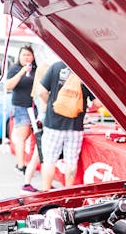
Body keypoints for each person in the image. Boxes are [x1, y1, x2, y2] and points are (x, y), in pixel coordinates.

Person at [38, 61, 99, 190]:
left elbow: (41, 91)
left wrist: (50, 104)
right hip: (75, 126)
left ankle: (46, 192)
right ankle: (67, 193)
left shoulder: (56, 66)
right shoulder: (86, 72)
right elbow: (97, 103)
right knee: (71, 162)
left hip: (53, 124)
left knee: (49, 160)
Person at [5, 45, 37, 175]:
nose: (26, 57)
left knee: (29, 134)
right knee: (22, 137)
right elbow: (8, 86)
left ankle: (27, 163)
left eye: (28, 55)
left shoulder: (37, 69)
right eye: (23, 55)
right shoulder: (15, 69)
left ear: (33, 57)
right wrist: (22, 72)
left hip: (35, 107)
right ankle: (20, 165)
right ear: (19, 56)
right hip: (20, 106)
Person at [21, 61, 50, 193]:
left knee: (38, 155)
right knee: (39, 155)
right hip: (44, 122)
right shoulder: (42, 89)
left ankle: (33, 183)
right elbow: (44, 108)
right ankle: (28, 183)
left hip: (40, 122)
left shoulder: (37, 87)